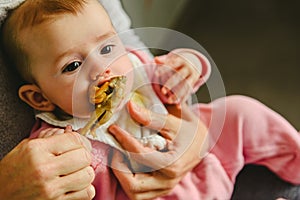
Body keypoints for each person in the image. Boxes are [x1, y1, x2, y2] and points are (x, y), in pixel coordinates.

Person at [1, 0, 300, 200]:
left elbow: (163, 66)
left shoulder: (132, 67)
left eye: (106, 48)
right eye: (73, 66)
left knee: (240, 110)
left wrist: (186, 66)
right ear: (39, 98)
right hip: (146, 192)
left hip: (202, 157)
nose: (101, 69)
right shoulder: (56, 140)